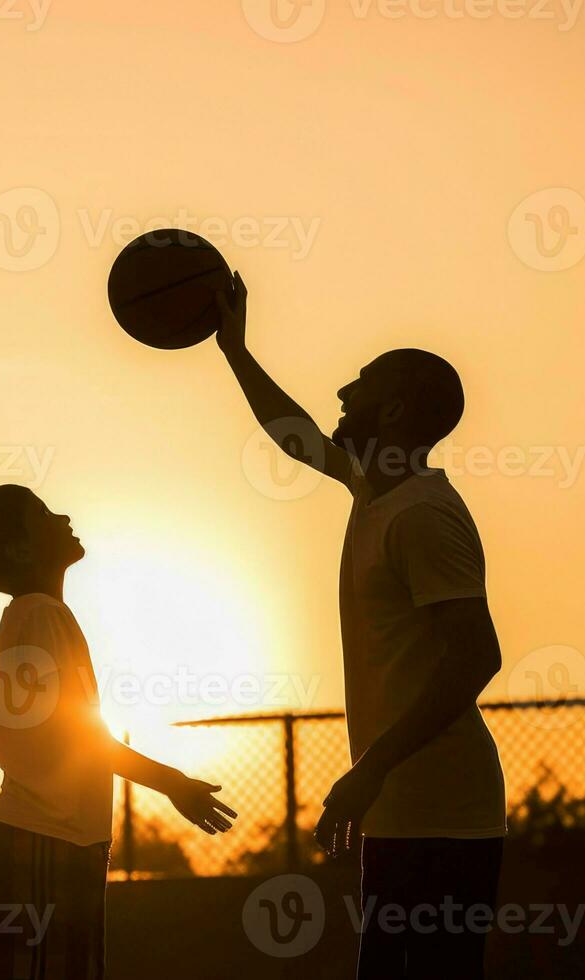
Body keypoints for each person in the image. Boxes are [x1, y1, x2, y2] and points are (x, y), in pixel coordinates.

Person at [217, 275, 507, 979]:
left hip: (443, 812)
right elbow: (298, 440)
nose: (344, 391)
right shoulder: (372, 489)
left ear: (398, 408)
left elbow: (477, 656)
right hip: (405, 808)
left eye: (363, 384)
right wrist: (233, 348)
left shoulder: (421, 516)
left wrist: (369, 769)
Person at [0, 485, 237, 980]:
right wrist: (172, 782)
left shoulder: (38, 615)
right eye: (42, 513)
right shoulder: (40, 615)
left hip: (58, 837)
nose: (62, 515)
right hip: (45, 837)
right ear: (20, 549)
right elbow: (79, 738)